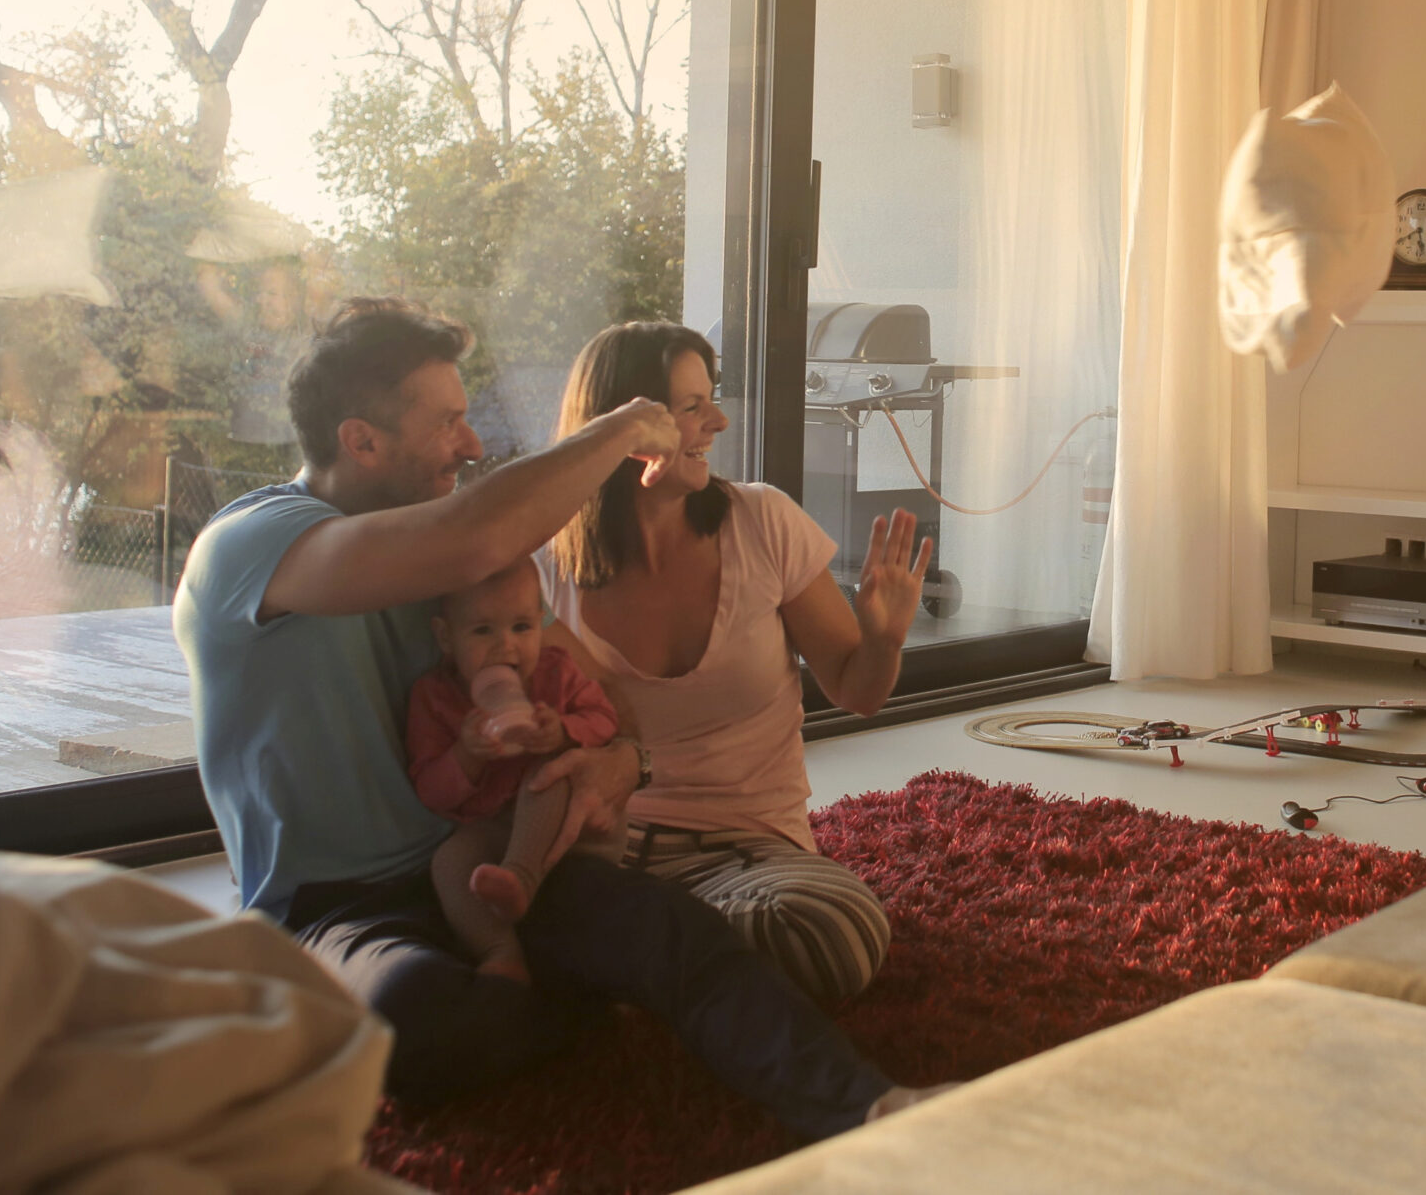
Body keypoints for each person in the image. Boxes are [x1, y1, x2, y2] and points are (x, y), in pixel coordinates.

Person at [172, 297, 915, 1135]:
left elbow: (593, 687)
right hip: (333, 907)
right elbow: (473, 534)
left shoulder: (444, 565)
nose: (472, 443)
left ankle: (874, 1107)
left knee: (670, 927)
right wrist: (626, 426)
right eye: (448, 422)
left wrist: (622, 758)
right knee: (422, 1015)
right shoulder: (250, 546)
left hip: (482, 864)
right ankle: (597, 1001)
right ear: (362, 441)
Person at [538, 321, 925, 1008]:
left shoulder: (763, 520)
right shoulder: (544, 565)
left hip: (752, 856)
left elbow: (856, 690)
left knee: (831, 934)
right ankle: (687, 965)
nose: (717, 422)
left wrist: (884, 640)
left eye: (711, 400)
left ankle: (634, 960)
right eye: (692, 407)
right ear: (625, 429)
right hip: (605, 850)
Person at [405, 557, 619, 985]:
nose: (506, 646)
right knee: (448, 862)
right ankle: (500, 952)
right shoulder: (434, 697)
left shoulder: (556, 672)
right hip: (493, 832)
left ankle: (521, 877)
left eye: (522, 627)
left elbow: (606, 719)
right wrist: (466, 755)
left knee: (549, 771)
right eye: (483, 630)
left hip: (571, 827)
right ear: (446, 637)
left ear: (541, 622)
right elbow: (430, 791)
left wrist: (564, 732)